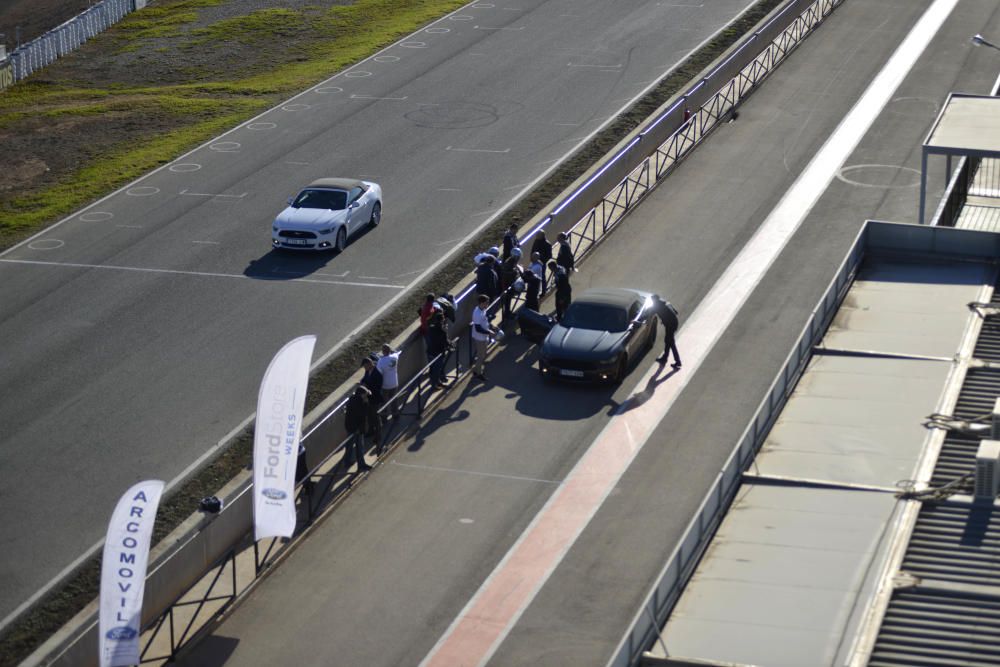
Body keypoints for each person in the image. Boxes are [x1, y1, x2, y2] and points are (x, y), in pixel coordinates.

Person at [343, 385, 373, 472]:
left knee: (349, 445)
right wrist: (366, 403)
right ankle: (361, 465)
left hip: (350, 427)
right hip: (356, 428)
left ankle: (347, 461)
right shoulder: (359, 403)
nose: (366, 396)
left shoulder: (353, 399)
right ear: (361, 395)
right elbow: (362, 414)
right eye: (365, 395)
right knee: (360, 447)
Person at [471, 294, 498, 380]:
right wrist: (489, 332)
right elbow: (478, 328)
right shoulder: (477, 313)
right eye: (486, 303)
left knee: (483, 354)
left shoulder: (482, 310)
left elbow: (485, 321)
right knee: (481, 356)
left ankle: (476, 369)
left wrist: (491, 326)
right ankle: (478, 373)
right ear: (482, 303)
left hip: (484, 336)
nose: (488, 304)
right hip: (479, 338)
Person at [651, 295, 682, 368]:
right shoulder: (666, 303)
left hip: (670, 325)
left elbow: (650, 312)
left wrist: (666, 319)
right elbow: (676, 312)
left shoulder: (657, 306)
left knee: (671, 343)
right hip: (674, 323)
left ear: (655, 301)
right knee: (668, 341)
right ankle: (664, 358)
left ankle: (678, 361)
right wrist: (666, 318)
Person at [425, 309, 451, 389]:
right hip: (438, 353)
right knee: (437, 370)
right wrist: (446, 332)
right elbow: (445, 341)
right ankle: (435, 385)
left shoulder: (431, 328)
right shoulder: (442, 331)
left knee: (433, 370)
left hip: (430, 352)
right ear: (442, 320)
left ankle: (437, 382)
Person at [377, 343, 401, 419]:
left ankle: (384, 417)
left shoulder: (380, 361)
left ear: (383, 352)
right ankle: (395, 415)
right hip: (394, 383)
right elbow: (398, 352)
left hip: (385, 385)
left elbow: (379, 372)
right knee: (394, 400)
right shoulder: (394, 357)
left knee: (384, 402)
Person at [499, 247, 523, 319]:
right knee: (507, 300)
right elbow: (505, 273)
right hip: (506, 284)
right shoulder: (509, 263)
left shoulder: (512, 261)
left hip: (509, 283)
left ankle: (507, 312)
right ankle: (506, 314)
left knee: (508, 299)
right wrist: (515, 272)